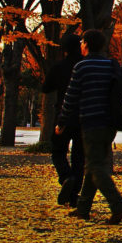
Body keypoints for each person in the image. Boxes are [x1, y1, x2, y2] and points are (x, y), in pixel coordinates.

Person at [60, 29, 122, 225]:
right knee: (93, 165)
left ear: (87, 44)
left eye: (82, 42)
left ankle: (118, 205)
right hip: (110, 123)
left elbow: (71, 97)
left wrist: (62, 121)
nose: (80, 45)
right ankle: (83, 209)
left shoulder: (82, 67)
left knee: (94, 166)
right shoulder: (110, 65)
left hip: (91, 121)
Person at [43, 33, 84, 207]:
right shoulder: (84, 66)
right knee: (79, 156)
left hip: (64, 115)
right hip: (83, 116)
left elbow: (46, 88)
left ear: (64, 48)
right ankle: (74, 194)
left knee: (58, 150)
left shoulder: (60, 67)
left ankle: (66, 177)